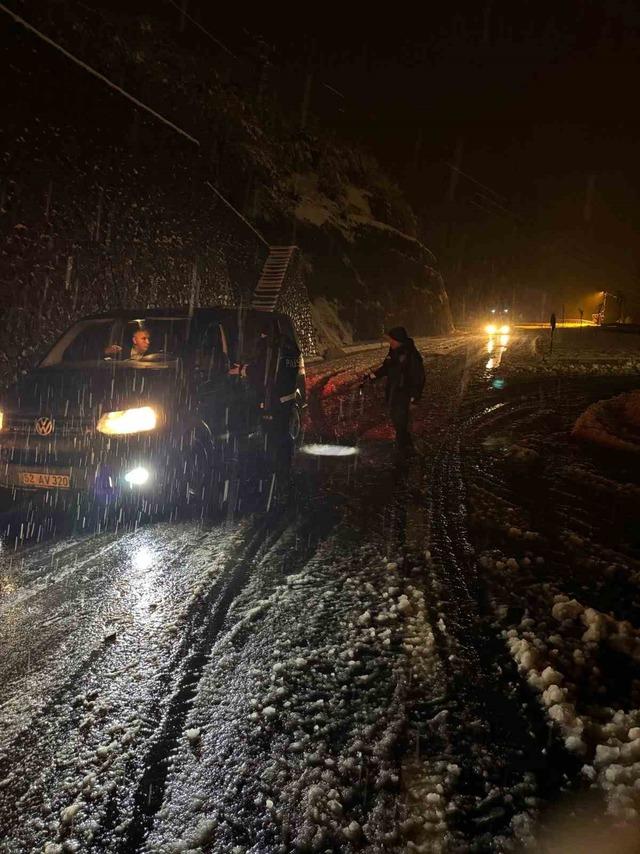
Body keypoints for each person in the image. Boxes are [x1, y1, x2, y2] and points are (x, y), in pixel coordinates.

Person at [365, 326, 425, 453]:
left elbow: (418, 376)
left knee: (401, 420)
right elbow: (386, 367)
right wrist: (373, 376)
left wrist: (415, 396)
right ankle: (404, 443)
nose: (390, 342)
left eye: (392, 340)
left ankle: (404, 448)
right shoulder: (393, 352)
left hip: (404, 393)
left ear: (399, 340)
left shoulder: (410, 354)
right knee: (396, 418)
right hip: (394, 391)